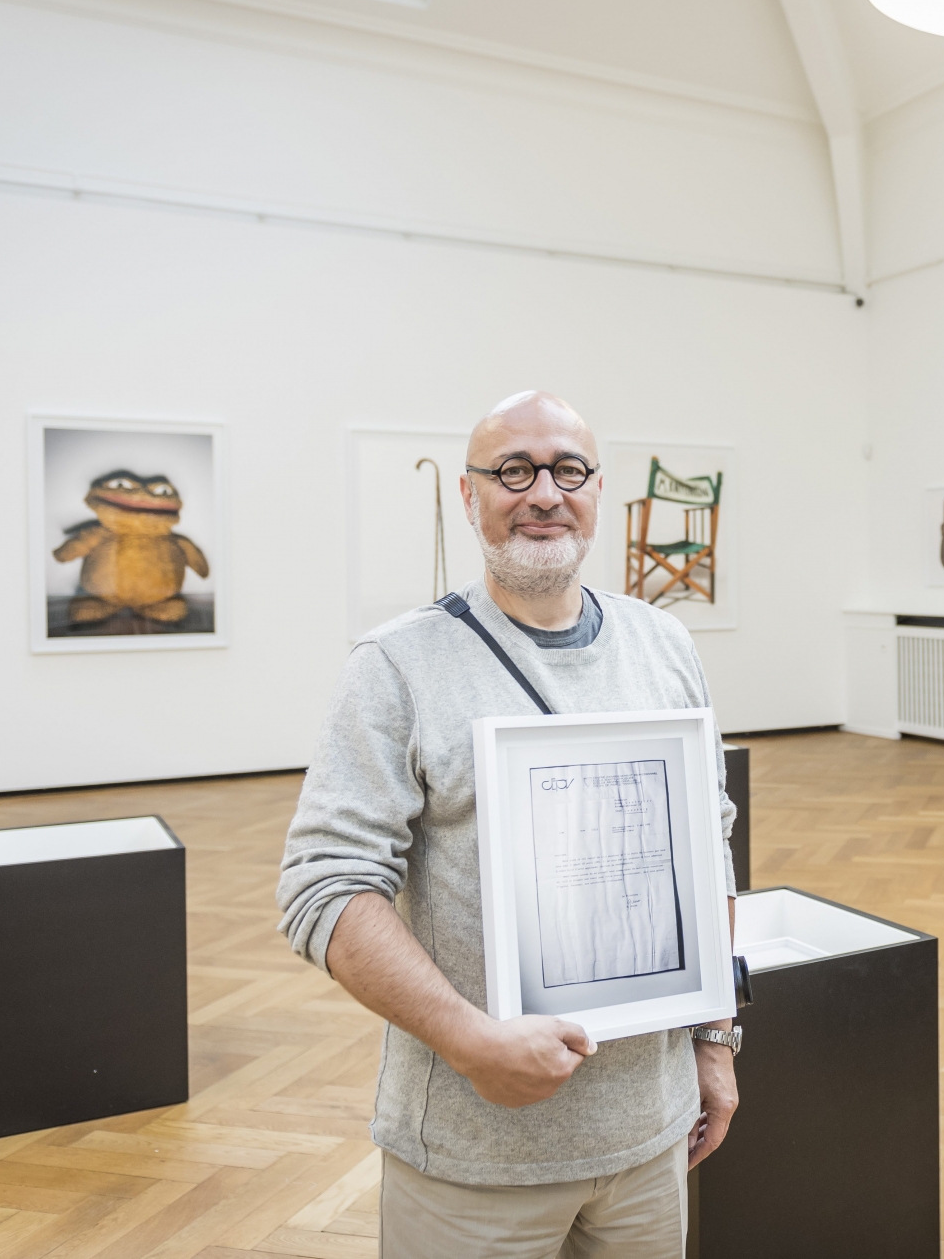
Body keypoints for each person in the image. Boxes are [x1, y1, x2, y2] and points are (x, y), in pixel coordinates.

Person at [276, 391, 739, 1257]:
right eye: (512, 471)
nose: (542, 493)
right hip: (475, 1157)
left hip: (651, 1134)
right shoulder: (397, 665)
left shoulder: (664, 645)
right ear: (468, 493)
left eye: (568, 470)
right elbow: (324, 886)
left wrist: (714, 1043)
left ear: (598, 488)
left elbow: (706, 843)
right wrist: (469, 1039)